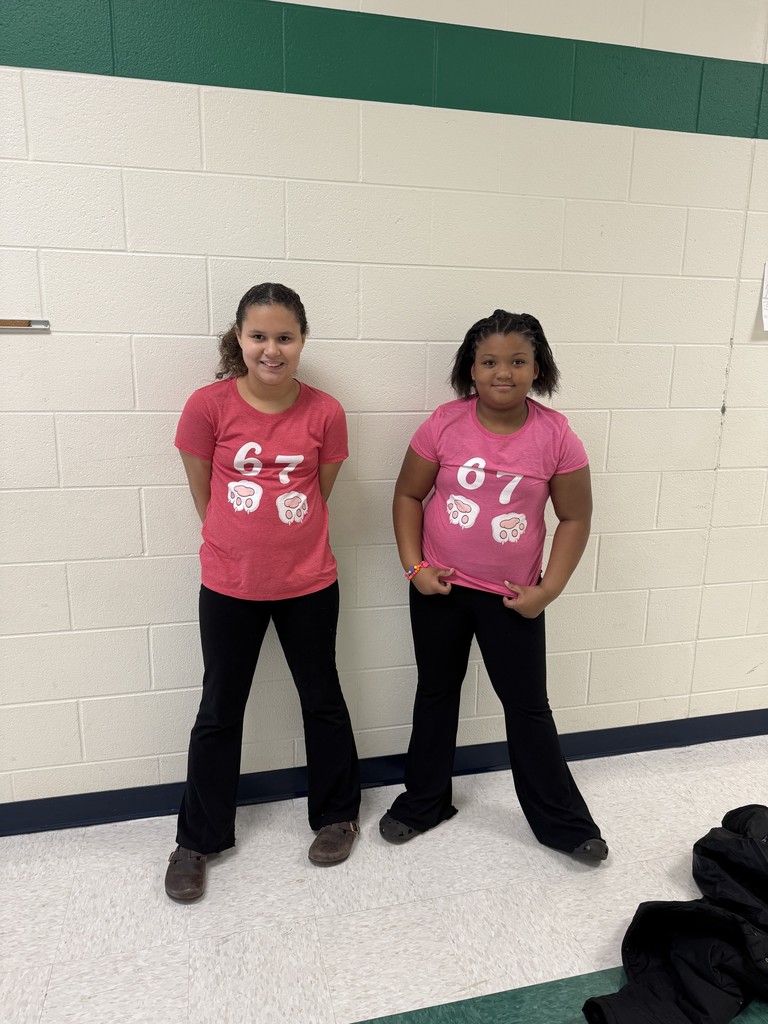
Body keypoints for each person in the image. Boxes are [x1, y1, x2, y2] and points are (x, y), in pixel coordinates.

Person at [379, 309, 608, 863]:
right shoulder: (443, 423)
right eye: (489, 361)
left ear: (537, 369)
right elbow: (408, 495)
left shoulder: (556, 436)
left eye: (517, 361)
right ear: (470, 369)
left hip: (514, 599)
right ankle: (424, 801)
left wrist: (547, 591)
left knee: (528, 706)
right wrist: (415, 568)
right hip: (441, 589)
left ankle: (563, 823)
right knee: (436, 693)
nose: (502, 372)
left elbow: (575, 518)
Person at [165, 283, 361, 902]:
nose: (271, 349)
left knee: (322, 698)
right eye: (259, 337)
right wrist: (238, 541)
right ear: (240, 340)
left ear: (302, 342)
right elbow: (205, 493)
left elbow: (318, 492)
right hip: (229, 584)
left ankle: (336, 816)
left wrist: (283, 543)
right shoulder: (207, 406)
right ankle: (198, 839)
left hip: (308, 582)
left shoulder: (325, 412)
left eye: (284, 338)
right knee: (220, 709)